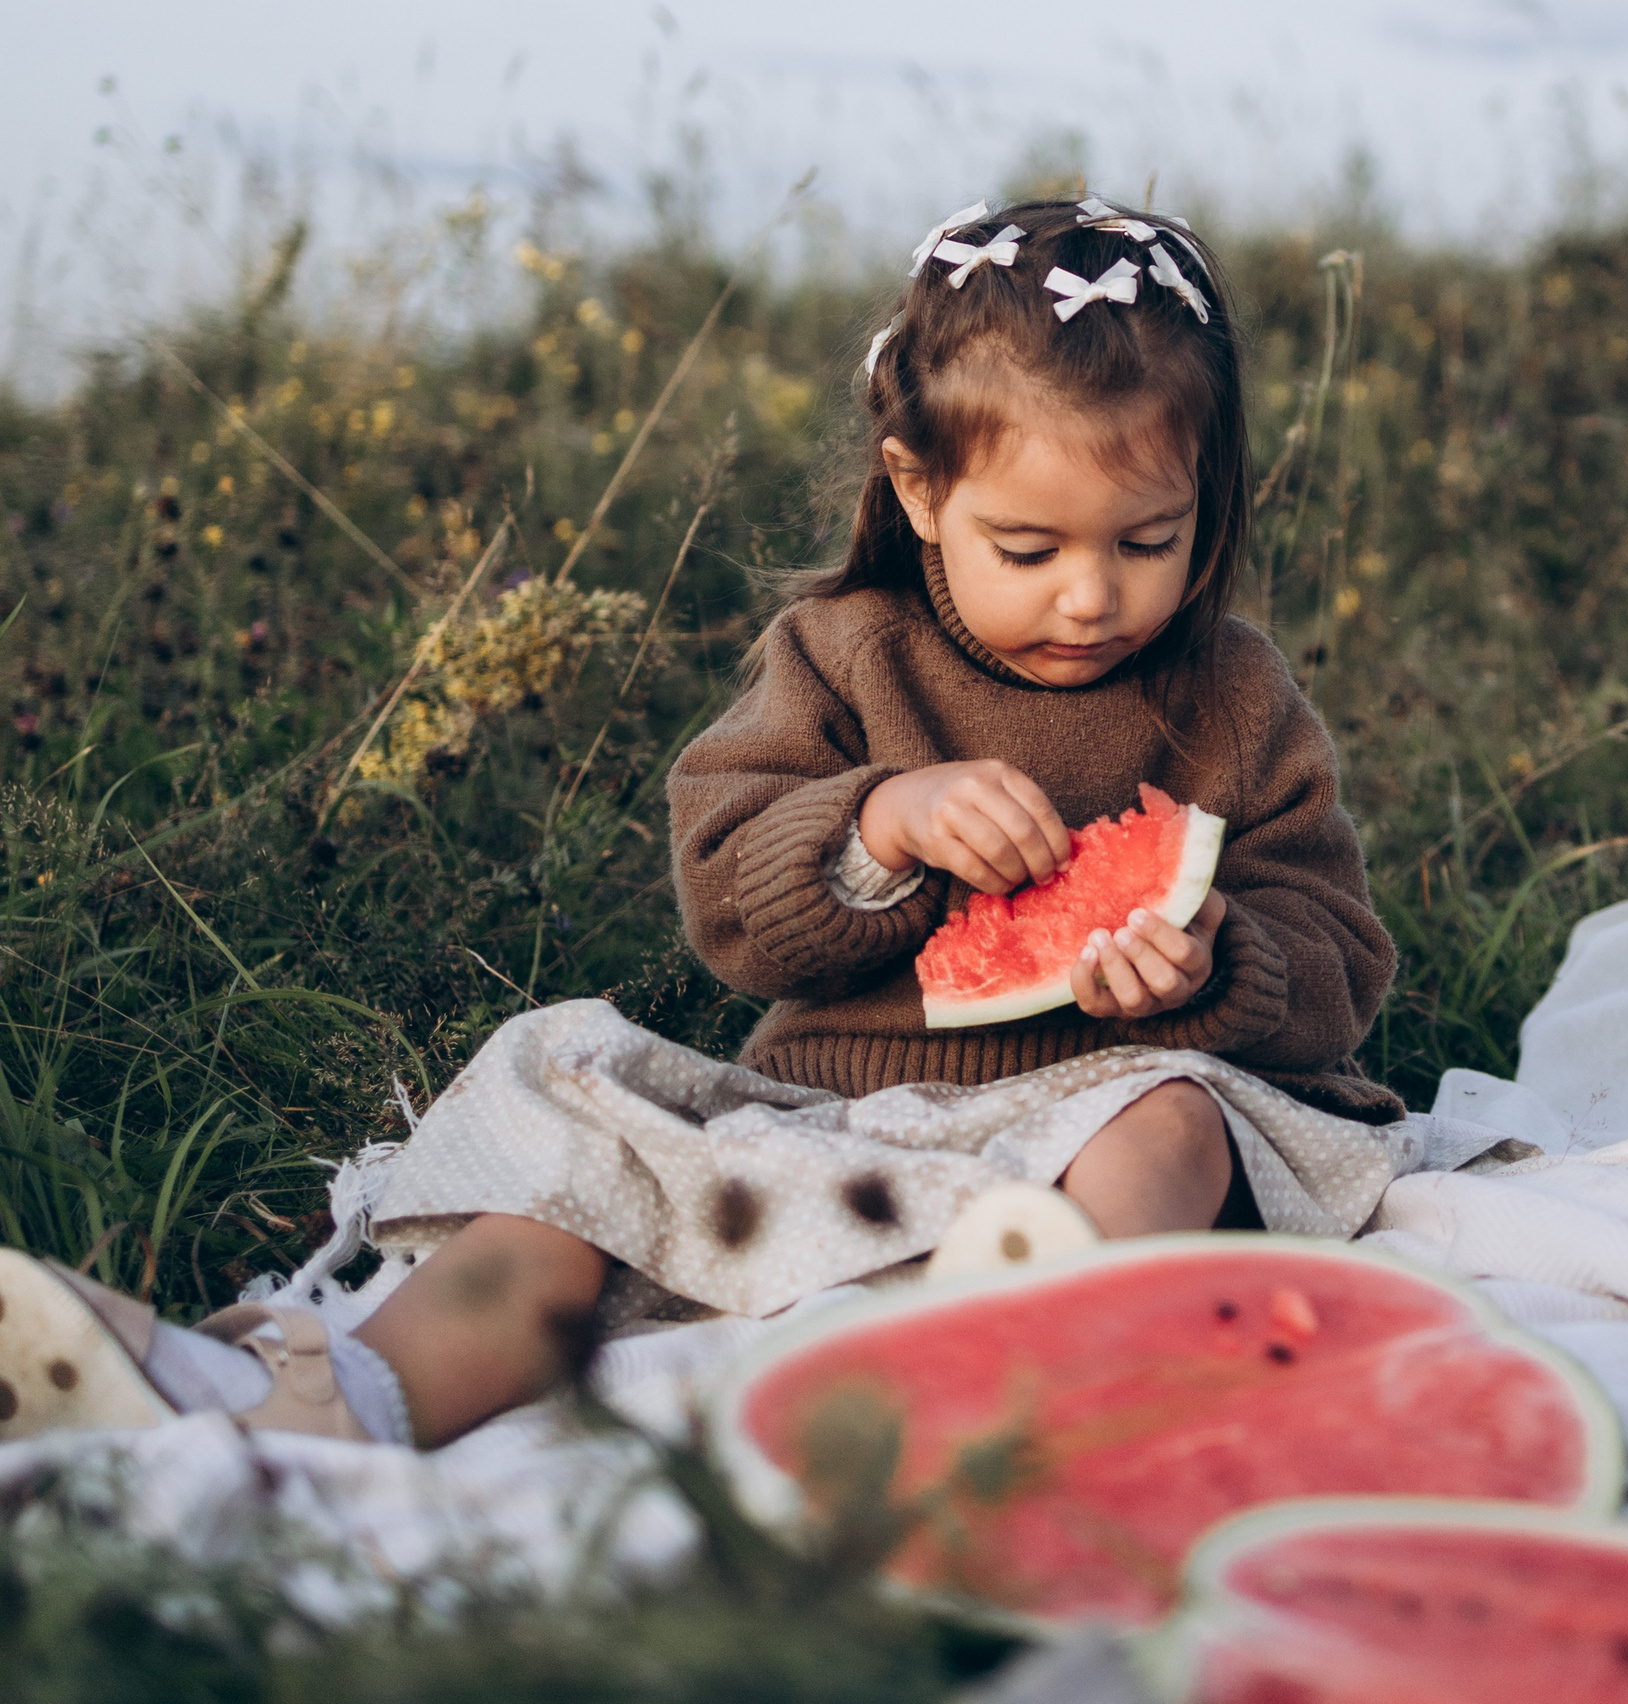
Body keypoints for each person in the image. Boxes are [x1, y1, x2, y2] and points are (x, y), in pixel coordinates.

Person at [0, 197, 1399, 1452]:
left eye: (1147, 541)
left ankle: (1022, 1378)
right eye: (1030, 551)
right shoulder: (844, 655)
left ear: (1207, 499)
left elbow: (1341, 959)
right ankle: (332, 1394)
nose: (1092, 597)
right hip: (839, 1119)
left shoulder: (1233, 692)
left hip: (1104, 1110)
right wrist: (879, 828)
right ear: (919, 490)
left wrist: (1223, 966)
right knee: (565, 1180)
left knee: (1168, 1125)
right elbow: (729, 905)